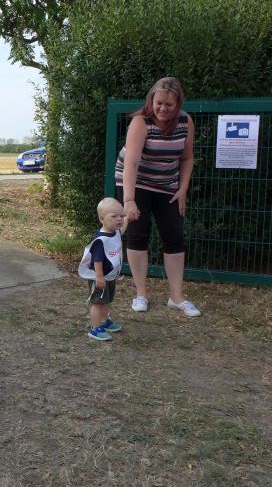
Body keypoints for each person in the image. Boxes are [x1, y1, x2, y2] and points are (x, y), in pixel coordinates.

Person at [115, 77, 201, 318]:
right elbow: (131, 163)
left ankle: (176, 297)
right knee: (138, 233)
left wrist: (182, 189)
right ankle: (141, 293)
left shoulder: (185, 121)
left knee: (174, 235)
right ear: (151, 100)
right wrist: (129, 200)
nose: (162, 108)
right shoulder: (141, 122)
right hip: (135, 181)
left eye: (169, 105)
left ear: (178, 104)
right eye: (158, 103)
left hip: (167, 184)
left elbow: (187, 158)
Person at [78, 198, 128, 341]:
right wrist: (99, 277)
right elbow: (97, 261)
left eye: (121, 216)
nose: (119, 219)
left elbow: (122, 230)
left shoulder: (115, 232)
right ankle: (95, 328)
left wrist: (128, 218)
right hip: (100, 278)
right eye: (114, 216)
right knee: (97, 302)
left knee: (106, 301)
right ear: (102, 219)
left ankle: (105, 321)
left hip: (109, 277)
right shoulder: (100, 241)